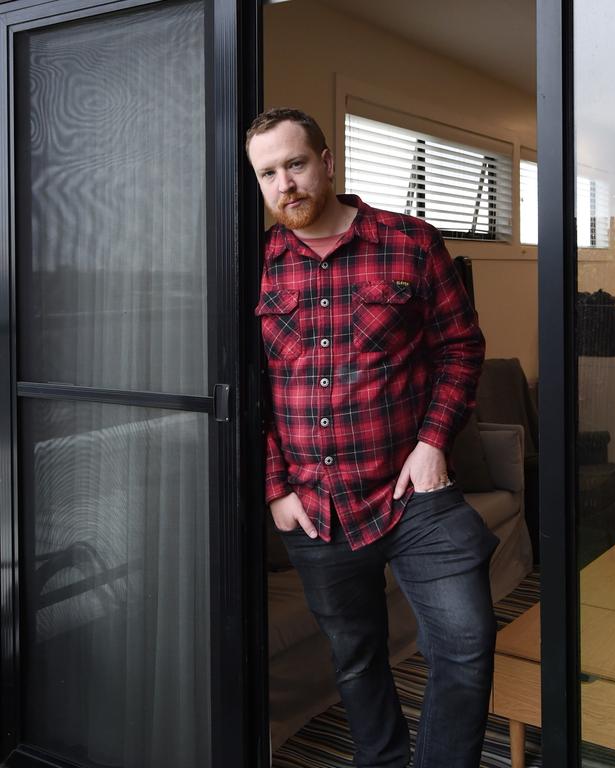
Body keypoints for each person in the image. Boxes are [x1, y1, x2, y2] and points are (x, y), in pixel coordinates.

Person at [246, 107, 499, 768]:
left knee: (466, 645)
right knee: (356, 661)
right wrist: (275, 489)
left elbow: (460, 349)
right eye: (268, 173)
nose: (285, 184)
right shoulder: (255, 265)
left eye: (295, 164)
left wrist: (435, 441)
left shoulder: (410, 241)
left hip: (416, 492)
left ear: (327, 163)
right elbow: (245, 391)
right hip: (315, 504)